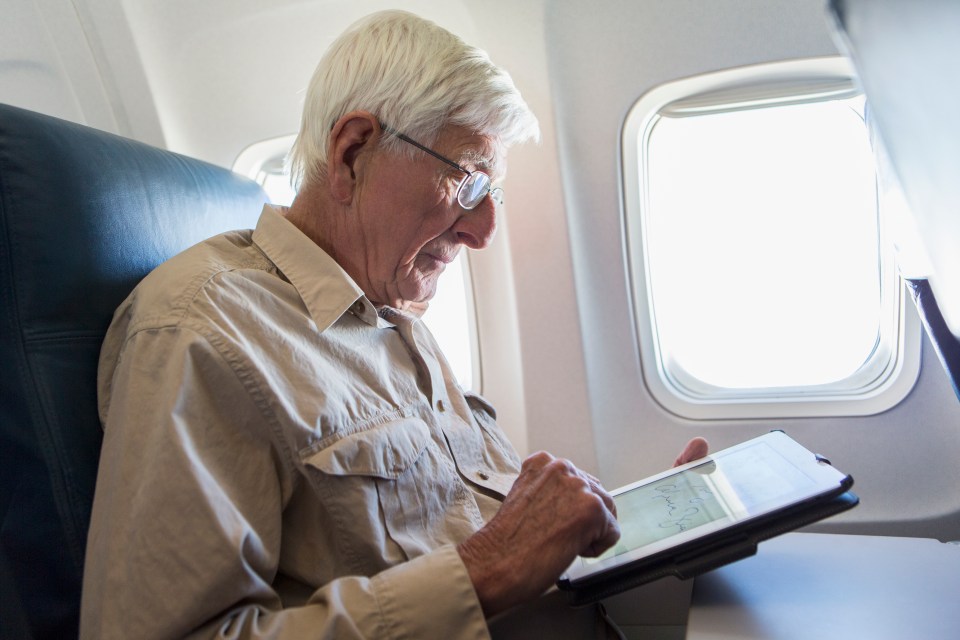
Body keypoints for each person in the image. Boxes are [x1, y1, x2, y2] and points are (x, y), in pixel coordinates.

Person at [80, 10, 708, 639]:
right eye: (469, 184)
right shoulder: (201, 331)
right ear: (352, 153)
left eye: (495, 195)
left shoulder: (396, 321)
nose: (484, 230)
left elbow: (470, 526)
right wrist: (489, 571)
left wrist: (636, 529)